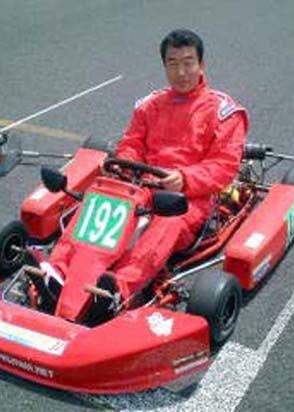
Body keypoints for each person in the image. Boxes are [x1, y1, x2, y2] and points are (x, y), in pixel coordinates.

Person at [50, 28, 248, 322]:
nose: (181, 72)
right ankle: (58, 270)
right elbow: (131, 143)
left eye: (188, 63)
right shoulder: (150, 105)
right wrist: (129, 165)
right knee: (101, 196)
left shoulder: (223, 112)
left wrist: (185, 178)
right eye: (173, 63)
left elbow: (224, 166)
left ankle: (118, 289)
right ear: (164, 66)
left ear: (201, 64)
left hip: (190, 197)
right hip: (142, 184)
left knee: (170, 219)